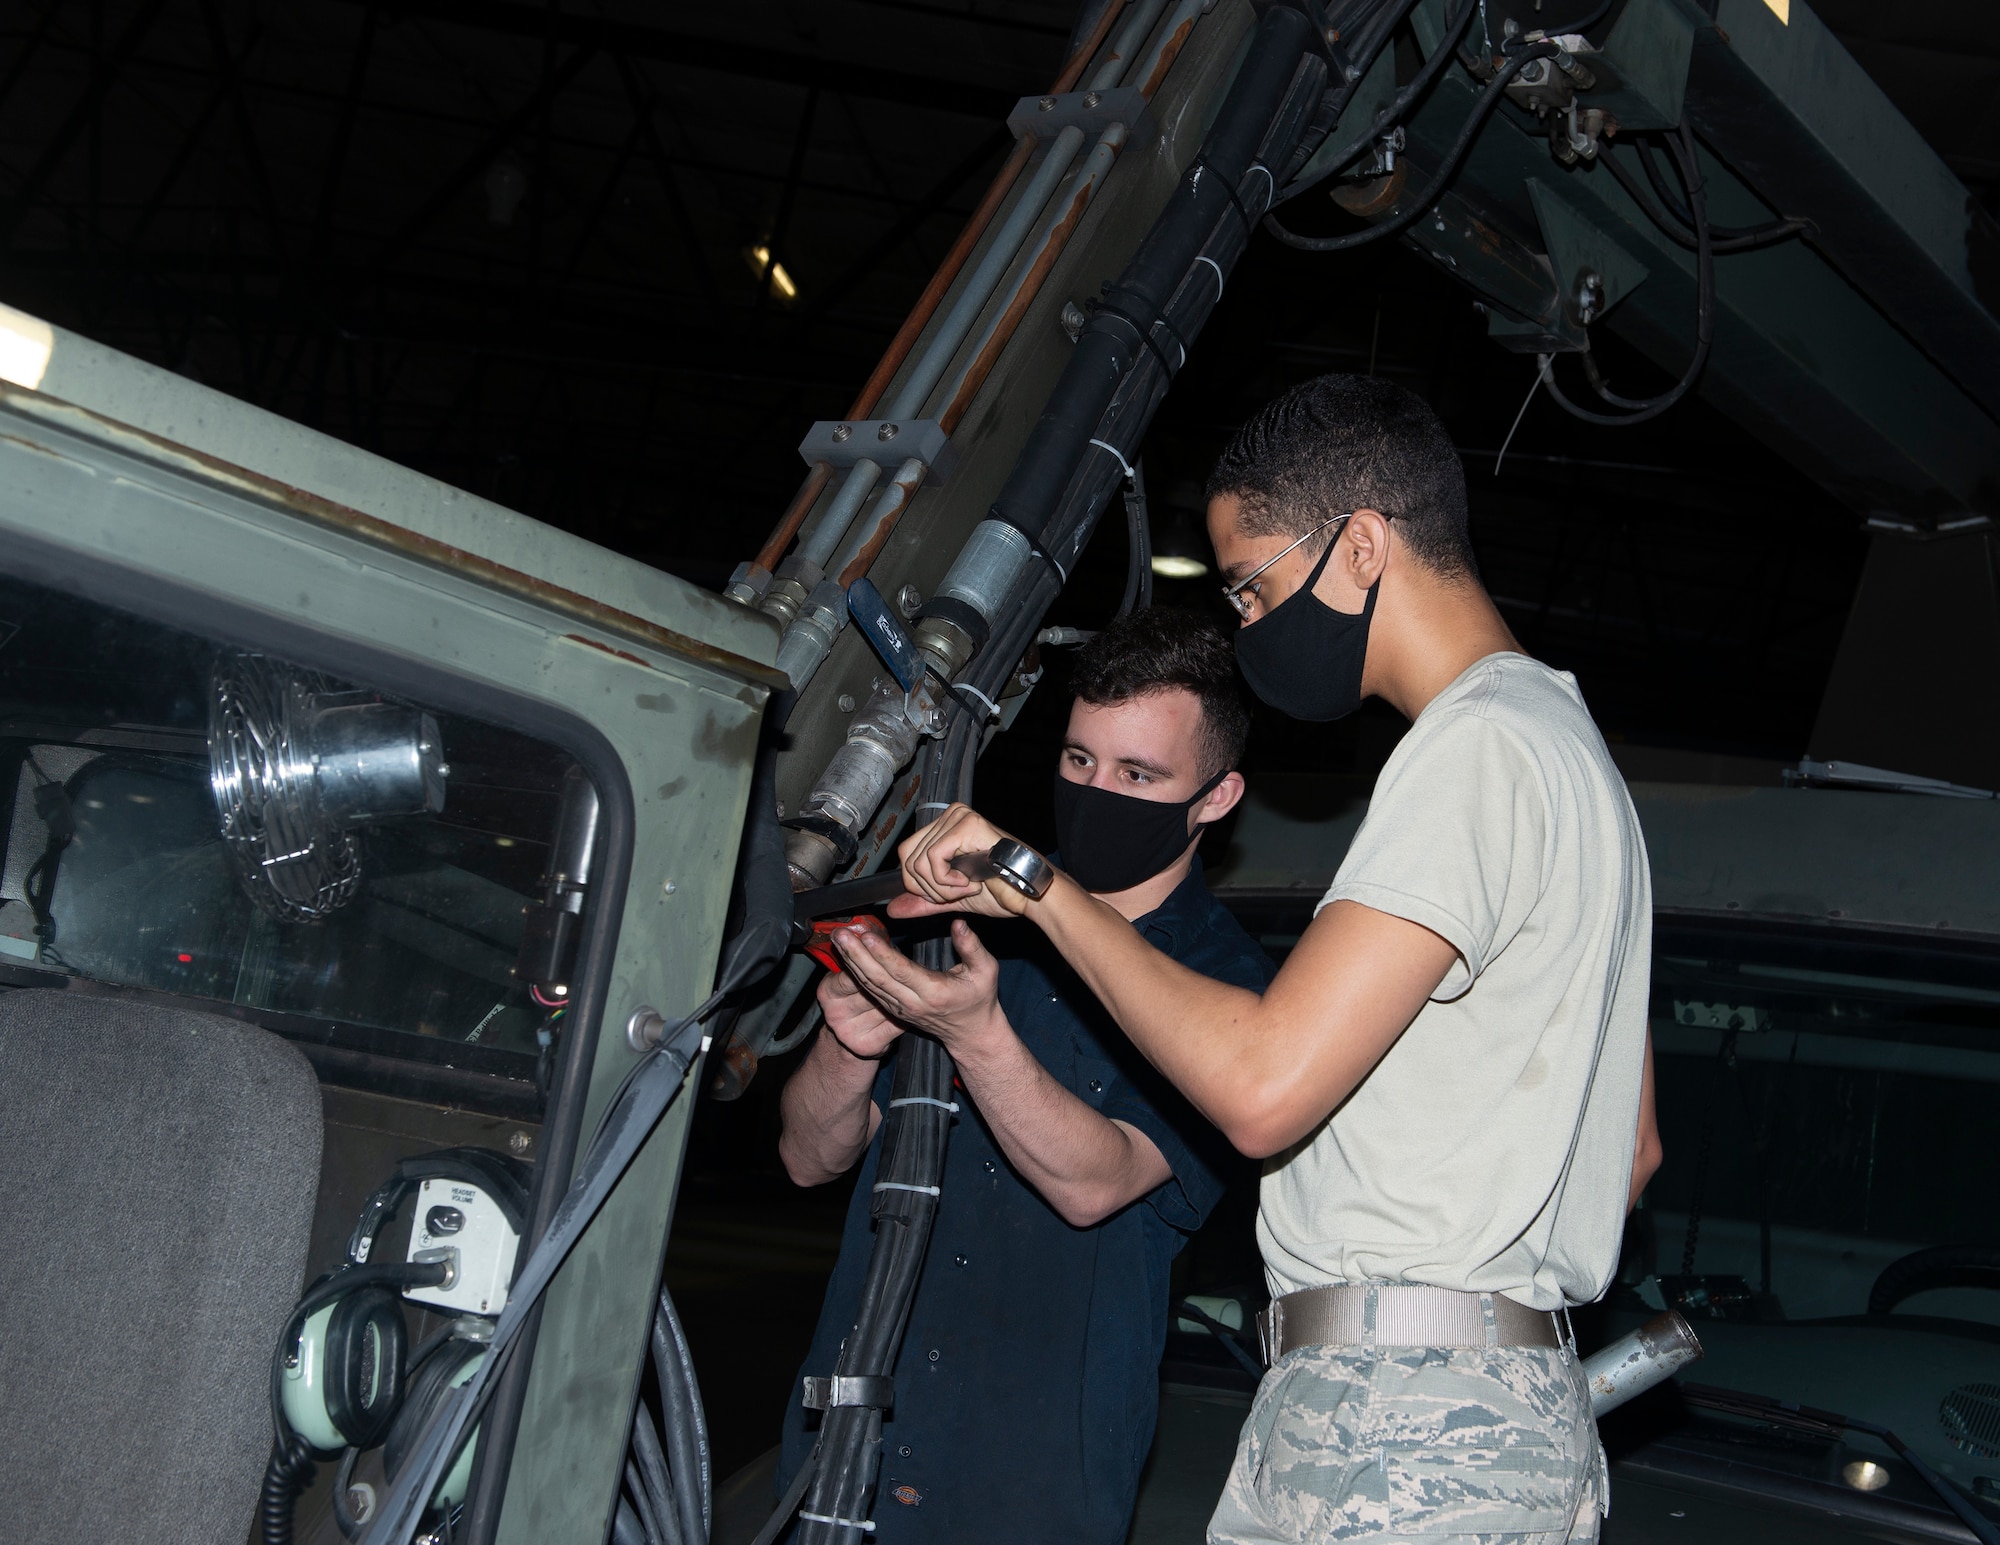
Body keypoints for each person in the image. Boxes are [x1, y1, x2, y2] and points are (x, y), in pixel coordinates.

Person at [848, 374, 1663, 1545]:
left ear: (1363, 544)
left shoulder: (1474, 750)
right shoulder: (1575, 764)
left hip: (1401, 1414)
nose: (1240, 622)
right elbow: (1625, 1150)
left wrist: (1033, 884)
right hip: (1474, 1398)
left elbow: (1259, 1090)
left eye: (1250, 583)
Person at [777, 608, 1274, 1544]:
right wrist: (848, 1045)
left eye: (1139, 774)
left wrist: (978, 1036)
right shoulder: (965, 913)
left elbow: (1097, 1183)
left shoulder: (1228, 989)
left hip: (1024, 1482)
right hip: (848, 1451)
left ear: (1216, 796)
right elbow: (809, 1157)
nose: (1097, 791)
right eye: (1080, 761)